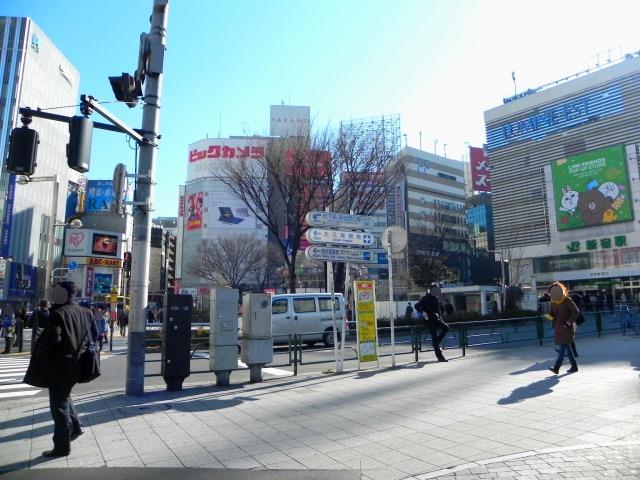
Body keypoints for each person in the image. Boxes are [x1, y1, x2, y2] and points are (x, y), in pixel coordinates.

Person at [31, 281, 95, 457]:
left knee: (58, 405)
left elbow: (51, 339)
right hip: (79, 364)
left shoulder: (58, 314)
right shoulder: (86, 312)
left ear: (63, 294)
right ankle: (75, 428)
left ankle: (61, 446)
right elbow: (93, 336)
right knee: (64, 396)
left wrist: (40, 355)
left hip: (60, 365)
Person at [546, 281, 579, 375]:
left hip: (566, 328)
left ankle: (557, 367)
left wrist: (568, 322)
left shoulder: (567, 300)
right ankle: (574, 366)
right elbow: (552, 313)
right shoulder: (553, 301)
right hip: (558, 328)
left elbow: (576, 311)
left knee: (563, 347)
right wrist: (548, 317)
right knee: (567, 347)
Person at [415, 284, 449, 362]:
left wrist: (441, 320)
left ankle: (436, 343)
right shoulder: (425, 298)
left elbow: (438, 311)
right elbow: (416, 306)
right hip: (428, 320)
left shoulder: (436, 298)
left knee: (446, 327)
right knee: (434, 336)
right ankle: (440, 357)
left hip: (435, 319)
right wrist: (422, 311)